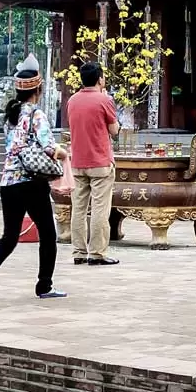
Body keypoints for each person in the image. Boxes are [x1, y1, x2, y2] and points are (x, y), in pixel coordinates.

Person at [0, 54, 67, 301]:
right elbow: (48, 148)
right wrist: (64, 153)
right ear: (39, 89)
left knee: (10, 236)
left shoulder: (10, 116)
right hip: (31, 182)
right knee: (47, 234)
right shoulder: (37, 115)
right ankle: (44, 286)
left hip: (8, 182)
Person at [64, 60, 120, 266]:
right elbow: (114, 131)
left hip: (77, 161)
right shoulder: (104, 100)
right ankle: (97, 253)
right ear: (99, 79)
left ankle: (78, 251)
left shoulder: (72, 100)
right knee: (99, 208)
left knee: (78, 208)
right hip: (100, 162)